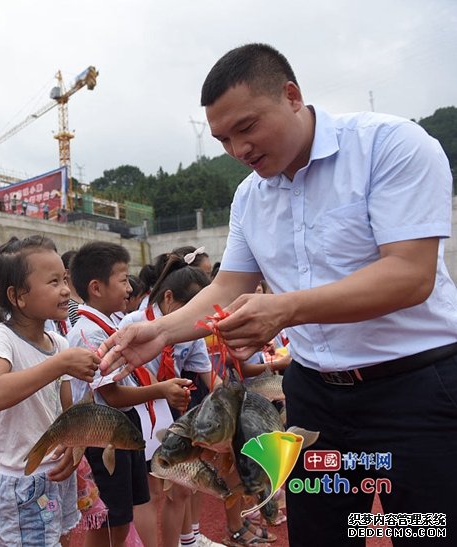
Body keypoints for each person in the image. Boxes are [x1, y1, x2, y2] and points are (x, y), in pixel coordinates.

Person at [98, 43, 457, 546]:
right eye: (224, 139)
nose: (238, 150)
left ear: (292, 96)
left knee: (427, 528)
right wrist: (159, 332)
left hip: (415, 388)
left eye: (246, 128)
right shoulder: (250, 195)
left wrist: (286, 309)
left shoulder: (390, 146)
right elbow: (228, 285)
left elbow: (409, 274)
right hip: (317, 402)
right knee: (323, 531)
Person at [66, 241, 191, 547]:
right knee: (109, 521)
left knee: (122, 519)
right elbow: (112, 396)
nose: (128, 287)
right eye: (122, 280)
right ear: (96, 287)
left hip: (122, 429)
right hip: (103, 435)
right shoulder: (88, 332)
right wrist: (161, 389)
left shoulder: (111, 323)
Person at [0, 235, 99, 547]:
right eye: (54, 281)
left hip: (58, 473)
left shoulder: (58, 342)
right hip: (22, 480)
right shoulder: (0, 336)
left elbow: (67, 411)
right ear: (18, 296)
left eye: (65, 280)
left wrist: (77, 445)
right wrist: (59, 365)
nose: (65, 291)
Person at [117, 256, 223, 547]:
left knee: (182, 489)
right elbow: (121, 377)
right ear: (168, 297)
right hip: (139, 413)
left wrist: (236, 403)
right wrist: (159, 390)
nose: (196, 317)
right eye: (192, 308)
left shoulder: (192, 330)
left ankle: (182, 542)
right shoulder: (134, 322)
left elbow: (208, 375)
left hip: (171, 413)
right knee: (151, 492)